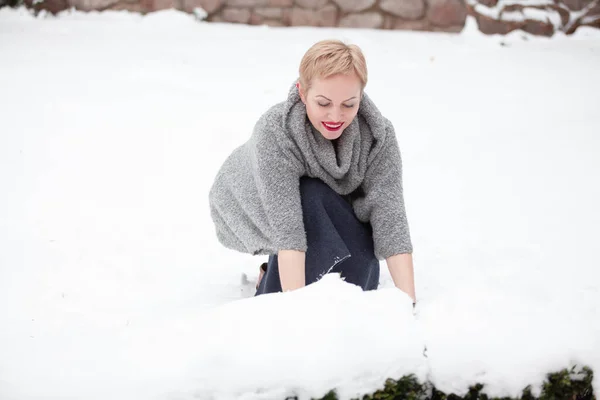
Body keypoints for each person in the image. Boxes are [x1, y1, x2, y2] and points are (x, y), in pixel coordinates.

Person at [209, 39, 416, 303]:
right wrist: (296, 312)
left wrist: (408, 305)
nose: (335, 116)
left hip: (333, 205)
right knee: (310, 196)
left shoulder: (378, 135)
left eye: (349, 104)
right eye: (323, 103)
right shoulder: (276, 131)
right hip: (256, 204)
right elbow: (288, 231)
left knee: (362, 277)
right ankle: (269, 285)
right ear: (303, 92)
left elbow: (390, 217)